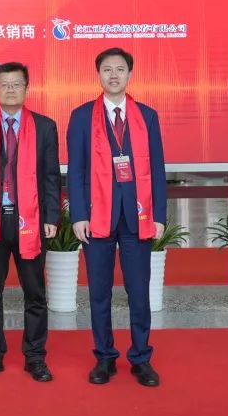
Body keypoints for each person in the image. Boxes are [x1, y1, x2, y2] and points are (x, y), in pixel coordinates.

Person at [66, 47, 167, 388]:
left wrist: (159, 215)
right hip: (97, 216)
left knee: (139, 290)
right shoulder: (82, 117)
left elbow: (157, 168)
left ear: (129, 75)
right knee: (99, 292)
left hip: (137, 216)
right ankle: (105, 357)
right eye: (107, 69)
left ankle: (141, 357)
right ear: (98, 74)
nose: (113, 75)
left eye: (120, 69)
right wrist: (79, 215)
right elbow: (76, 170)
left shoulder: (147, 116)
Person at [0, 62, 60, 383]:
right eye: (4, 84)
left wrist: (51, 216)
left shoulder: (44, 127)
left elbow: (50, 176)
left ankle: (35, 357)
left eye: (16, 84)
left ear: (26, 88)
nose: (10, 90)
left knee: (35, 293)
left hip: (30, 220)